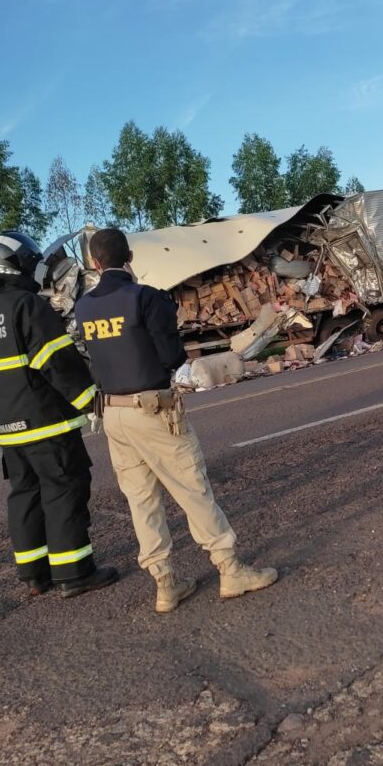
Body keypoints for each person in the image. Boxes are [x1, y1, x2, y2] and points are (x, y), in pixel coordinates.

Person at [75, 227, 277, 613]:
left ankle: (165, 583)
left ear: (95, 264)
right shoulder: (146, 298)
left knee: (142, 501)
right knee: (192, 489)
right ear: (129, 257)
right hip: (153, 410)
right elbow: (172, 358)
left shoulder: (84, 308)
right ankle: (229, 568)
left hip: (112, 414)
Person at [0, 231, 118, 598]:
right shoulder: (28, 306)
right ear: (20, 265)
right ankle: (74, 573)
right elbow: (56, 362)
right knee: (64, 488)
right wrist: (88, 400)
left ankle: (34, 574)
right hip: (45, 422)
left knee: (25, 493)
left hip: (6, 429)